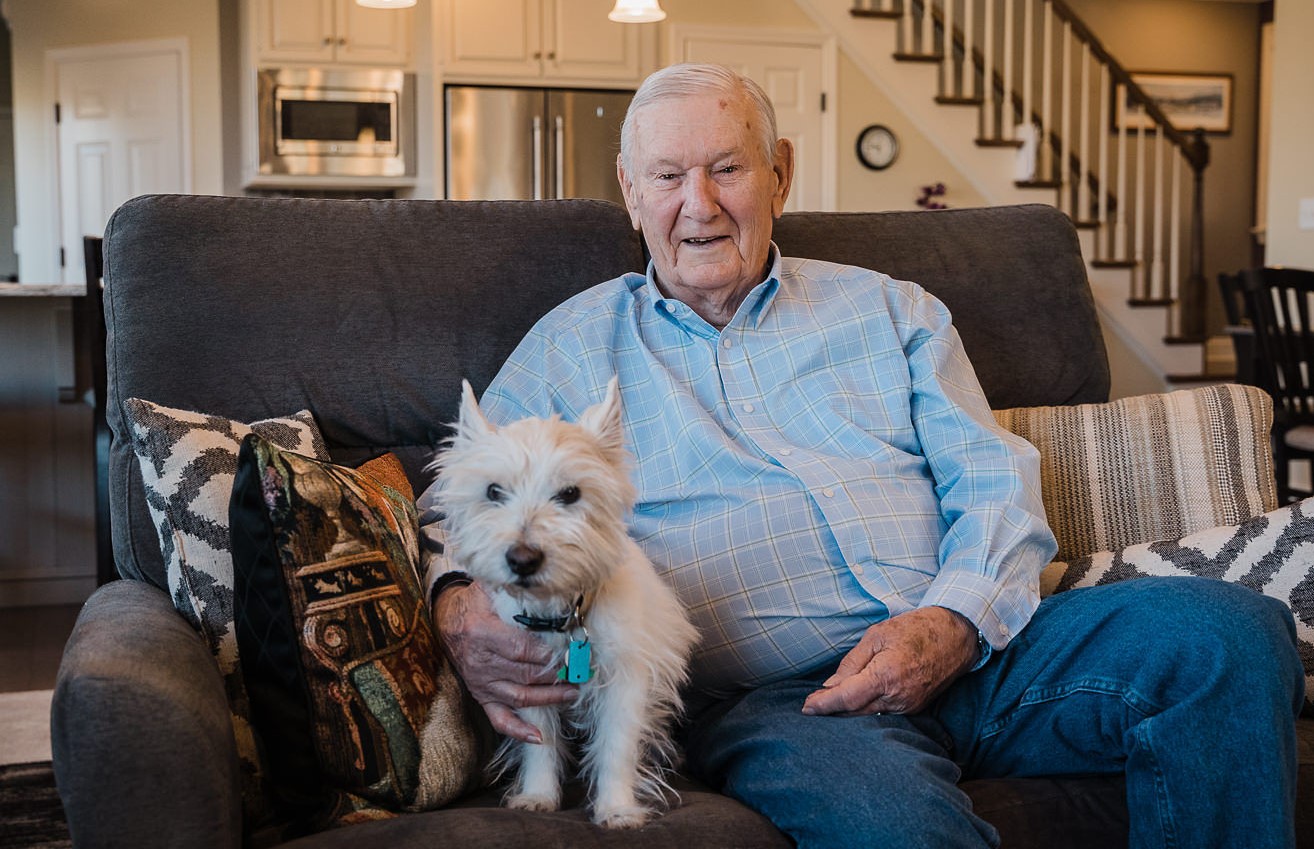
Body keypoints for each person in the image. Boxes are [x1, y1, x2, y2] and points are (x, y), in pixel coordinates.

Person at [418, 63, 1304, 848]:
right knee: (897, 828)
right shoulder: (572, 346)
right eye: (668, 176)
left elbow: (991, 480)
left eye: (727, 168)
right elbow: (462, 500)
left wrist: (953, 621)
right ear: (629, 189)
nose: (700, 202)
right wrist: (460, 605)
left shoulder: (893, 310)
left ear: (781, 173)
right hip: (794, 702)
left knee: (1228, 633)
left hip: (984, 647)